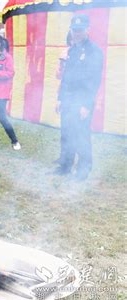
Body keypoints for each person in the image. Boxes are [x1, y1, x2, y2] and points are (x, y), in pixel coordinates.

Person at [55, 14, 103, 181]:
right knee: (66, 133)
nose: (77, 33)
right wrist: (60, 99)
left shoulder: (95, 51)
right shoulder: (72, 50)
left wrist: (86, 105)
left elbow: (94, 81)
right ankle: (65, 166)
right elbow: (66, 77)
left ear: (87, 29)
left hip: (82, 101)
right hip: (68, 99)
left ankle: (83, 170)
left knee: (81, 135)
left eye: (80, 30)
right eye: (74, 30)